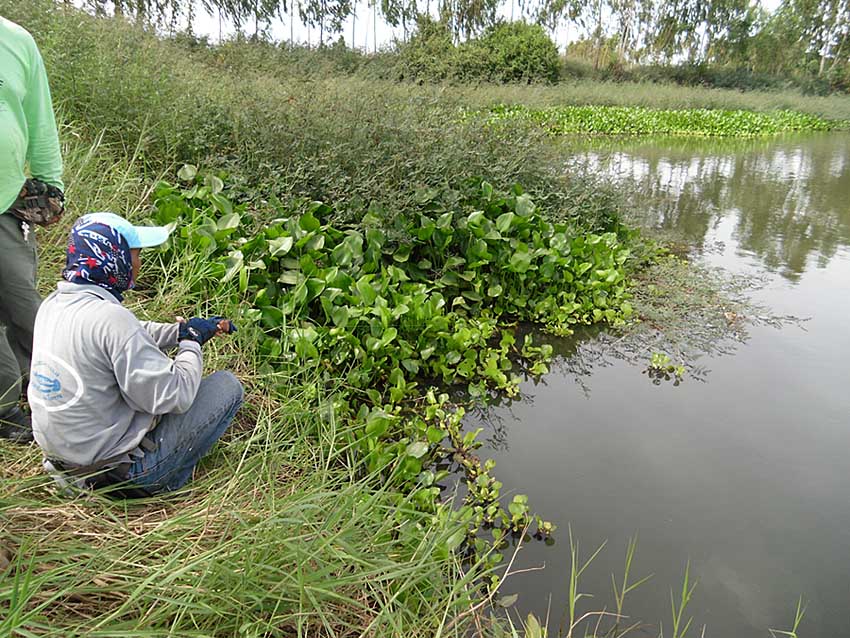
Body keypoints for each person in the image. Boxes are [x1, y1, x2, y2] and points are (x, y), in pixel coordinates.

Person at [28, 212, 243, 496]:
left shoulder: (54, 305)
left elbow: (129, 333)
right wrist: (191, 342)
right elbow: (176, 395)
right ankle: (163, 481)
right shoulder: (111, 319)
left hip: (63, 461)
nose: (139, 263)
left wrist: (176, 332)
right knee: (227, 386)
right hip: (114, 475)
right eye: (136, 254)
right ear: (115, 259)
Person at [0, 16, 65, 442]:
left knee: (26, 305)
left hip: (7, 200)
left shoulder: (17, 41)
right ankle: (5, 410)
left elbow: (39, 120)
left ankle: (38, 388)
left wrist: (51, 182)